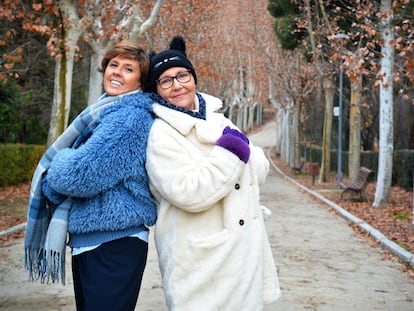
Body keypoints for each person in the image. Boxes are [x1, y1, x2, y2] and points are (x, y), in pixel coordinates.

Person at [146, 36, 281, 310]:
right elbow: (189, 192)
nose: (177, 85)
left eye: (182, 75)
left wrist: (238, 153)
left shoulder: (219, 118)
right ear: (157, 89)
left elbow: (259, 167)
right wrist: (230, 153)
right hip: (202, 260)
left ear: (193, 76)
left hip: (244, 254)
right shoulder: (160, 134)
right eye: (166, 81)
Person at [24, 42, 157, 311]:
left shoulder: (129, 118)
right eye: (113, 65)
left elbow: (80, 175)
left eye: (128, 69)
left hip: (114, 243)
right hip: (95, 240)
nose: (117, 72)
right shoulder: (103, 111)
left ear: (141, 82)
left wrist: (55, 167)